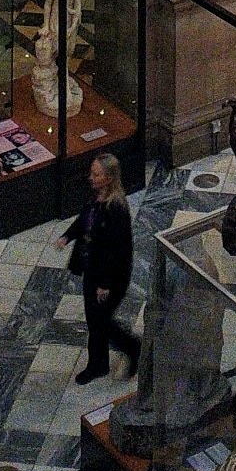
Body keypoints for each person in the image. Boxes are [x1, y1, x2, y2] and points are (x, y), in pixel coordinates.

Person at [61, 153, 140, 384]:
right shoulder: (96, 198)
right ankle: (99, 364)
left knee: (101, 321)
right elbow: (84, 221)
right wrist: (68, 236)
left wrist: (105, 284)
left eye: (96, 175)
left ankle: (130, 347)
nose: (91, 178)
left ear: (109, 178)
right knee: (95, 320)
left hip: (110, 278)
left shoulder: (116, 209)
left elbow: (116, 250)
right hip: (92, 269)